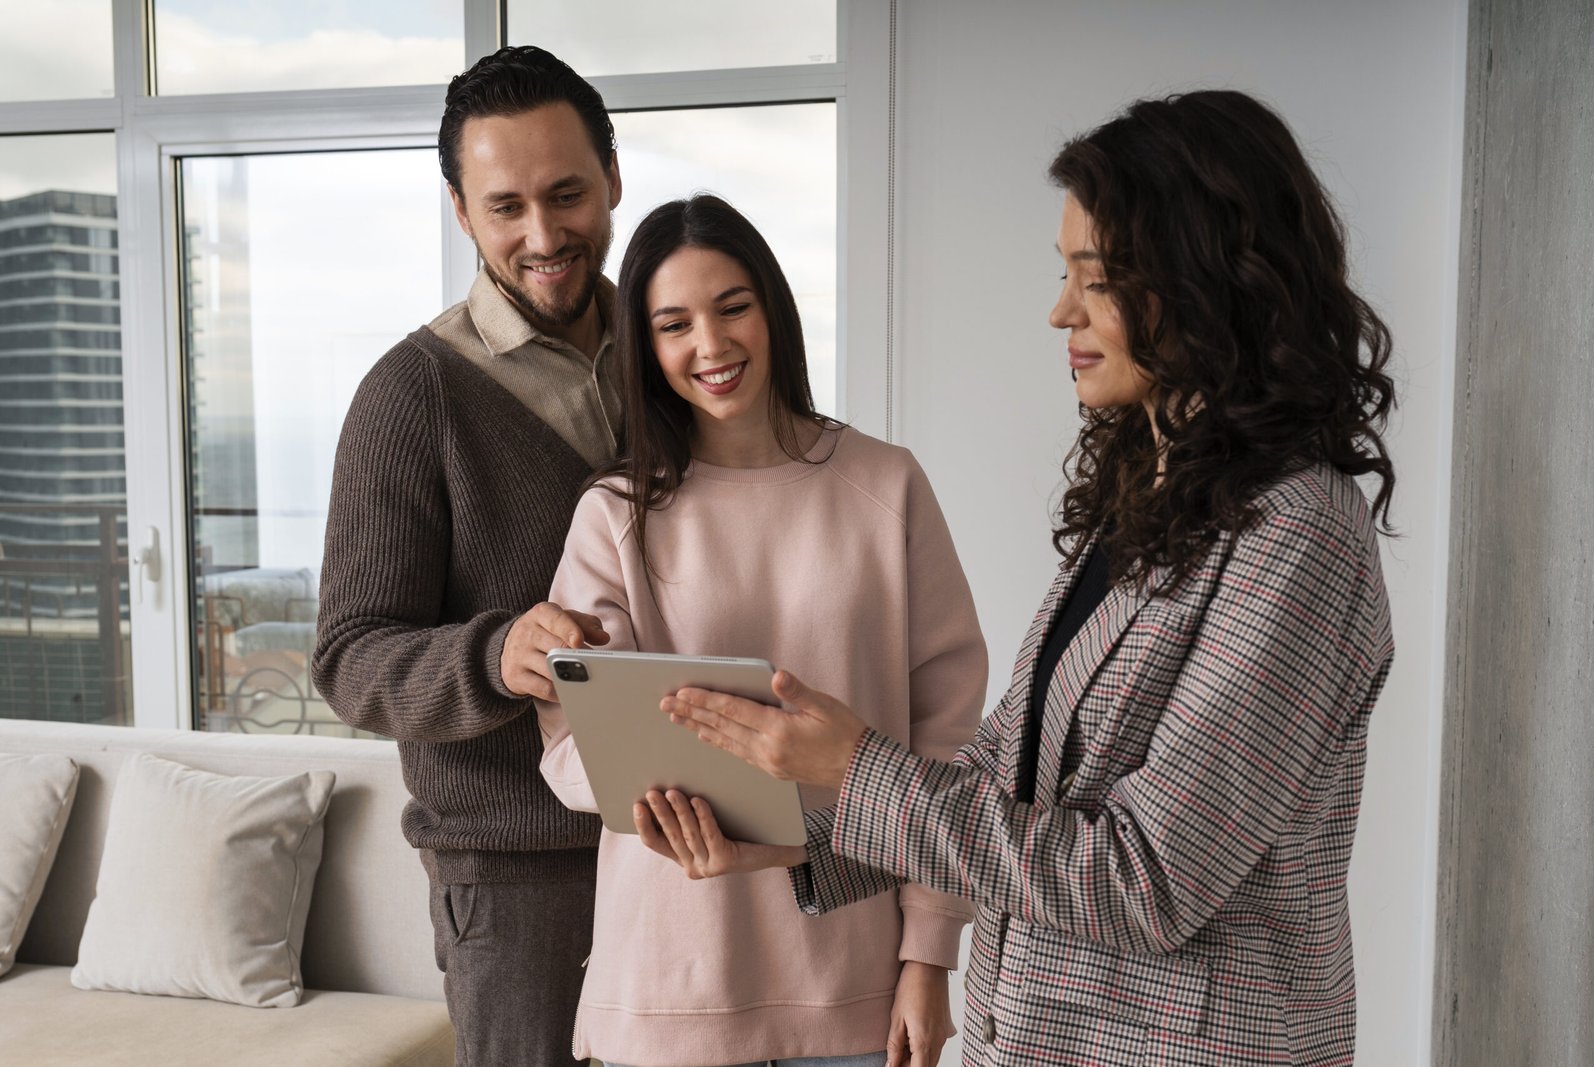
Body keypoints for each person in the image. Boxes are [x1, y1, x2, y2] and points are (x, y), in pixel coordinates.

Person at [638, 91, 1398, 1067]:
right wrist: (799, 838)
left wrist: (854, 764)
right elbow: (1007, 778)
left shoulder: (1297, 533)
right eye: (1063, 272)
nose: (1060, 310)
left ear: (1209, 281)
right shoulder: (1151, 498)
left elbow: (1145, 875)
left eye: (1098, 277)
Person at [532, 194, 988, 1067]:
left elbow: (950, 742)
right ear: (646, 346)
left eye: (733, 306)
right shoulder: (613, 515)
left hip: (853, 986)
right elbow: (567, 742)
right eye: (674, 324)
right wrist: (654, 801)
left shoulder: (886, 486)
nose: (711, 345)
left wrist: (928, 957)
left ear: (773, 308)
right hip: (668, 983)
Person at [312, 45, 626, 1067]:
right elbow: (350, 658)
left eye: (567, 194)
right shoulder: (413, 394)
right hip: (514, 878)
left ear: (614, 180)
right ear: (461, 210)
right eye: (506, 207)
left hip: (692, 846)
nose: (543, 235)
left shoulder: (677, 359)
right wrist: (495, 656)